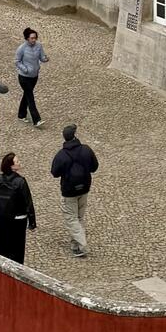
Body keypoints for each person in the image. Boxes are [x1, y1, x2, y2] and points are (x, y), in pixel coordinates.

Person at [49, 122, 98, 257]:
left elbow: (54, 173)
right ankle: (75, 245)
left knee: (71, 219)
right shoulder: (86, 149)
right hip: (85, 188)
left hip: (69, 191)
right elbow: (94, 167)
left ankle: (81, 244)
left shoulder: (61, 155)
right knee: (79, 217)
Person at [0, 151, 36, 262]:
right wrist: (32, 221)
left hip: (2, 218)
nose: (19, 163)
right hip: (18, 220)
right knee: (17, 249)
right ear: (11, 166)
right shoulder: (20, 181)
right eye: (17, 161)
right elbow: (28, 202)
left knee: (2, 247)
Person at [14, 27, 49, 127]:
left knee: (27, 95)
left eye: (35, 38)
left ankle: (21, 114)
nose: (34, 40)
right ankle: (36, 120)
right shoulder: (22, 48)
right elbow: (17, 61)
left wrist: (45, 59)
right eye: (32, 38)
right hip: (24, 77)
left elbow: (41, 57)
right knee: (30, 97)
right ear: (27, 38)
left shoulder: (39, 46)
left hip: (34, 76)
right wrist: (25, 69)